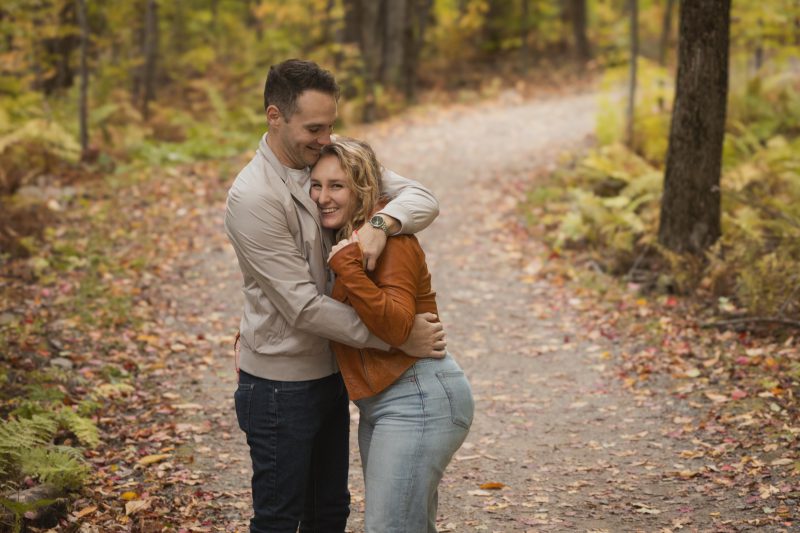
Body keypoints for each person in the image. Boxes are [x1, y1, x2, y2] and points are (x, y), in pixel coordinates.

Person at [224, 59, 445, 533]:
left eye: (332, 125)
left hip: (331, 375)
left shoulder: (325, 159)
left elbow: (423, 197)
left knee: (329, 513)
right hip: (279, 387)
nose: (326, 137)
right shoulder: (254, 197)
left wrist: (381, 226)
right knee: (280, 519)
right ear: (275, 117)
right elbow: (303, 306)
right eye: (315, 127)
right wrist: (395, 337)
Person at [309, 137, 474, 533]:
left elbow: (399, 327)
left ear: (363, 189)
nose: (323, 197)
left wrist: (348, 268)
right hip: (385, 404)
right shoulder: (349, 237)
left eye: (337, 186)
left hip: (419, 399)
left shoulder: (392, 241)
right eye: (316, 185)